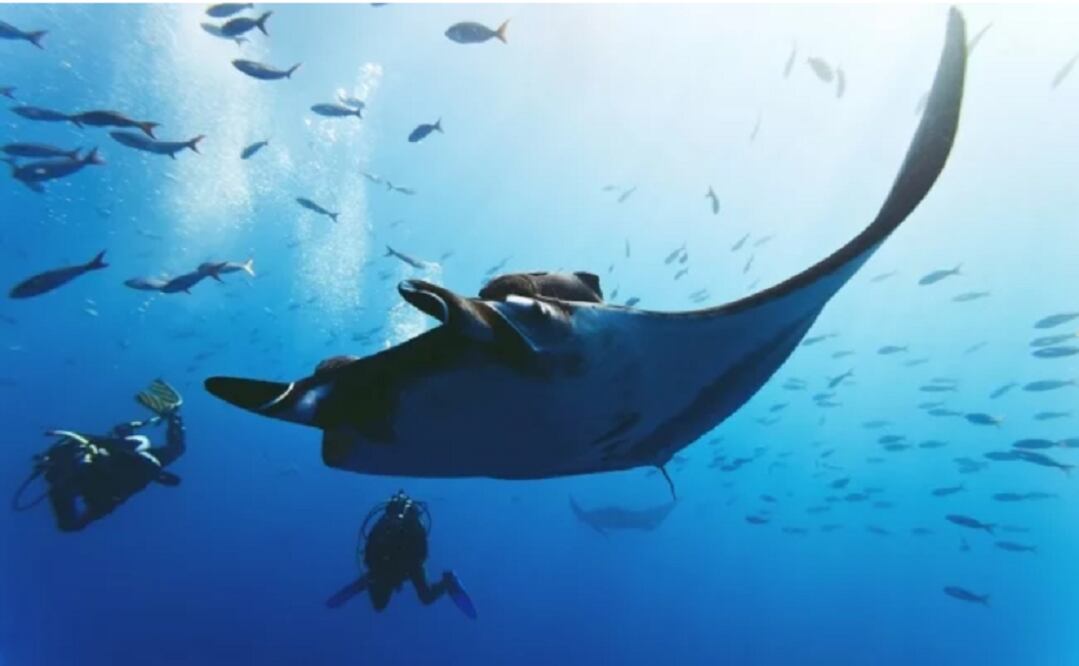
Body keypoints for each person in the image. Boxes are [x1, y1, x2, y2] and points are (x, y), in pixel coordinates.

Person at [13, 379, 186, 532]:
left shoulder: (123, 458)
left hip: (101, 479)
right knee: (71, 507)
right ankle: (170, 415)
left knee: (69, 505)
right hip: (102, 480)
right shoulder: (143, 461)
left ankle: (170, 415)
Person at [326, 490, 477, 619]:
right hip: (396, 565)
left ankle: (449, 581)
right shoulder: (390, 525)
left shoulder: (400, 523)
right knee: (385, 603)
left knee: (421, 597)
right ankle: (366, 581)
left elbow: (372, 544)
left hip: (405, 565)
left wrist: (411, 565)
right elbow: (372, 547)